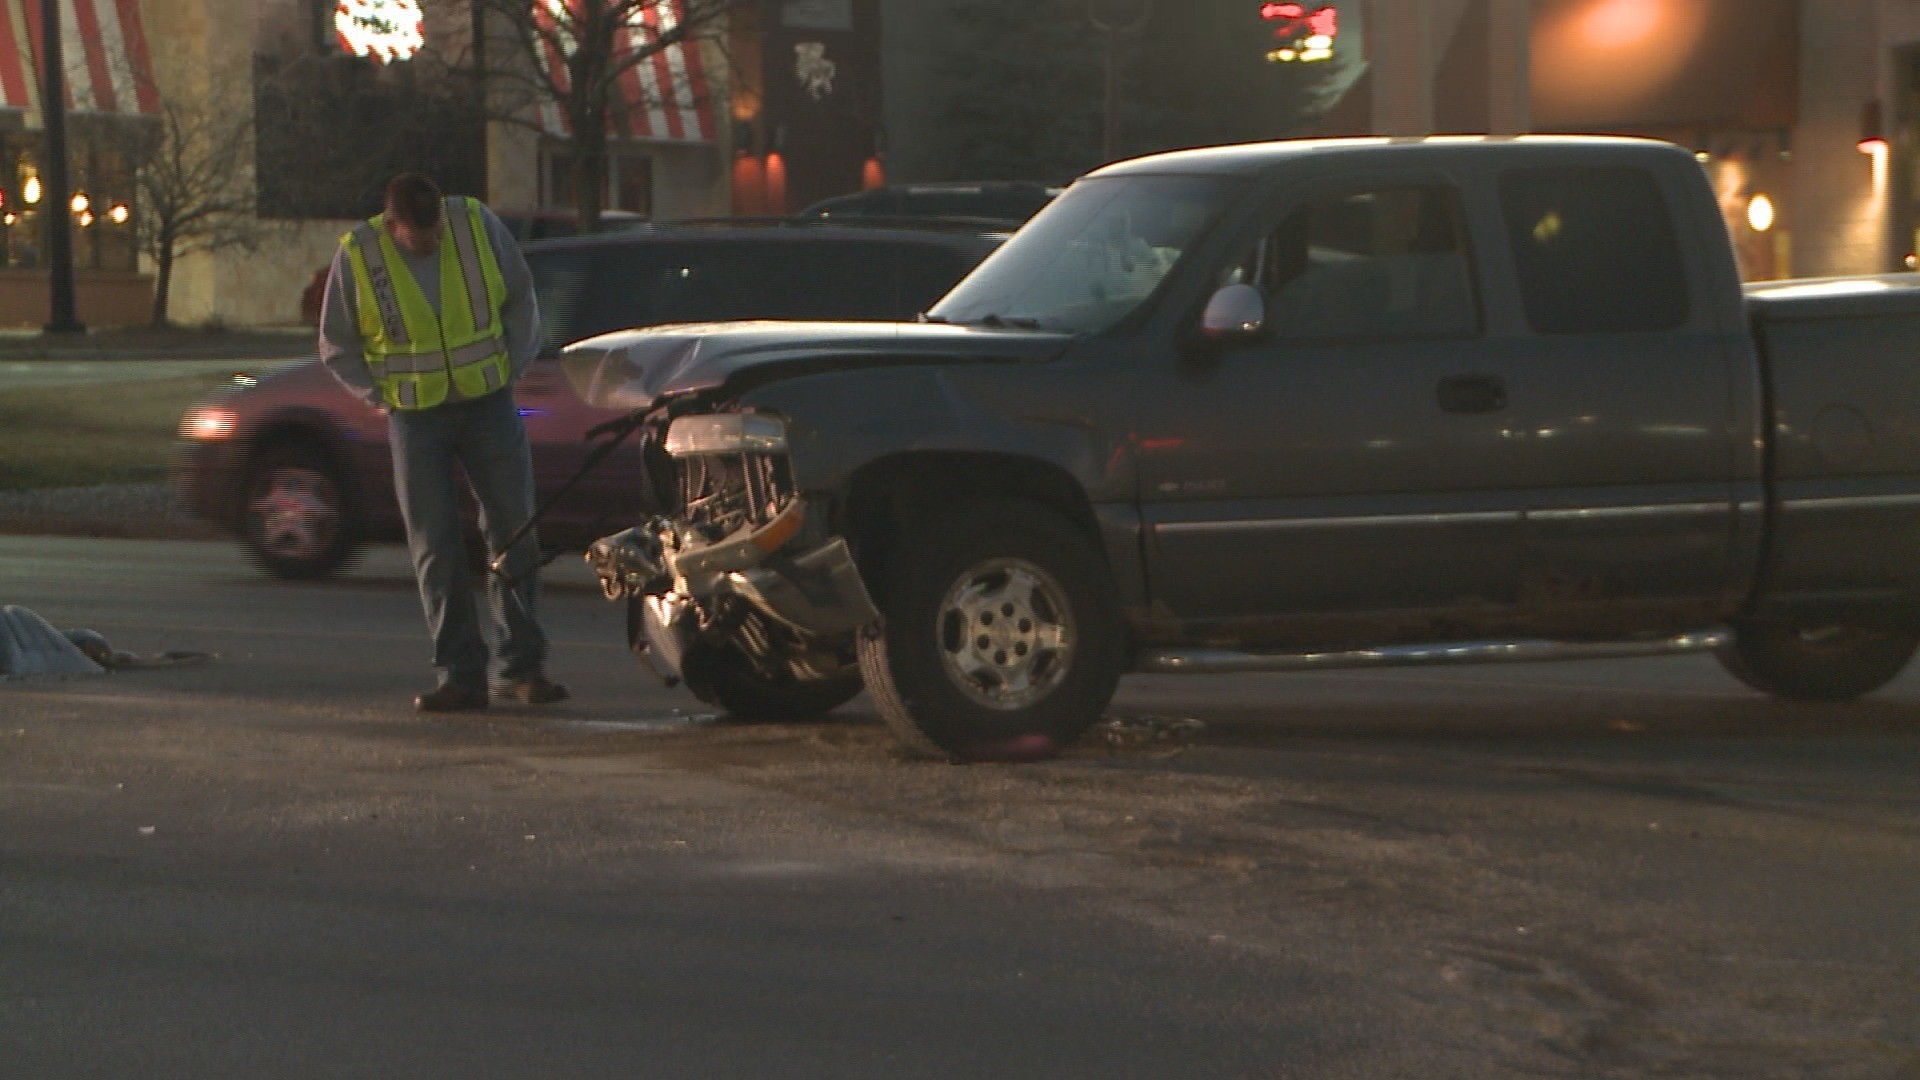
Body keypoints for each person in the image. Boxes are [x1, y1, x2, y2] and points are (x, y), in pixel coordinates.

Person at [318, 173, 567, 712]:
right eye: (419, 234)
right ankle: (461, 673)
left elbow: (521, 296)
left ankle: (522, 667)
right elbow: (337, 343)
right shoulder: (361, 255)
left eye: (435, 230)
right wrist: (377, 395)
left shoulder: (475, 225)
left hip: (487, 403)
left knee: (514, 533)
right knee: (435, 546)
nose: (431, 241)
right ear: (392, 224)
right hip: (415, 416)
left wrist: (513, 365)